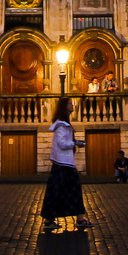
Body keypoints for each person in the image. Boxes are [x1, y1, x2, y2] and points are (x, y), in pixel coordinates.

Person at [40, 97, 91, 232]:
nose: (72, 105)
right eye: (69, 103)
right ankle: (52, 220)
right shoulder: (61, 125)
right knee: (65, 191)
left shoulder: (65, 124)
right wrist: (75, 144)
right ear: (64, 107)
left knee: (67, 191)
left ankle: (76, 219)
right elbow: (62, 144)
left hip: (66, 162)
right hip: (63, 163)